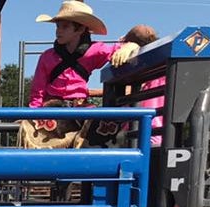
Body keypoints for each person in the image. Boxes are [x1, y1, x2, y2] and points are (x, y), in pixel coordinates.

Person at [21, 1, 144, 149]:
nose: (58, 31)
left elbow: (117, 49)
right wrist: (34, 114)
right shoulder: (47, 56)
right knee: (30, 128)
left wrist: (131, 46)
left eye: (65, 26)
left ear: (80, 29)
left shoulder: (94, 50)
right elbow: (37, 92)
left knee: (107, 125)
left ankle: (93, 161)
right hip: (53, 109)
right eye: (58, 26)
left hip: (80, 108)